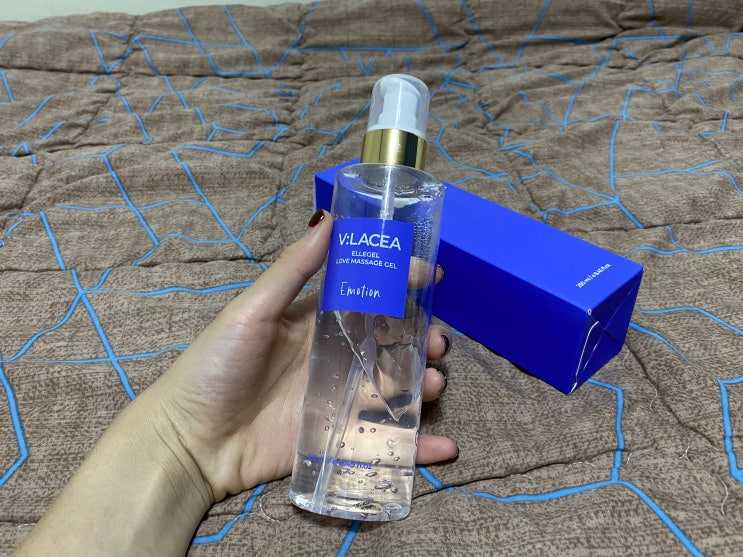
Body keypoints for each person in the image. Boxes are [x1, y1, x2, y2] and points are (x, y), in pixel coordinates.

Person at [13, 209, 458, 556]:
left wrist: (184, 446)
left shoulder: (422, 200)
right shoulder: (354, 187)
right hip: (272, 431)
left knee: (401, 354)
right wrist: (184, 436)